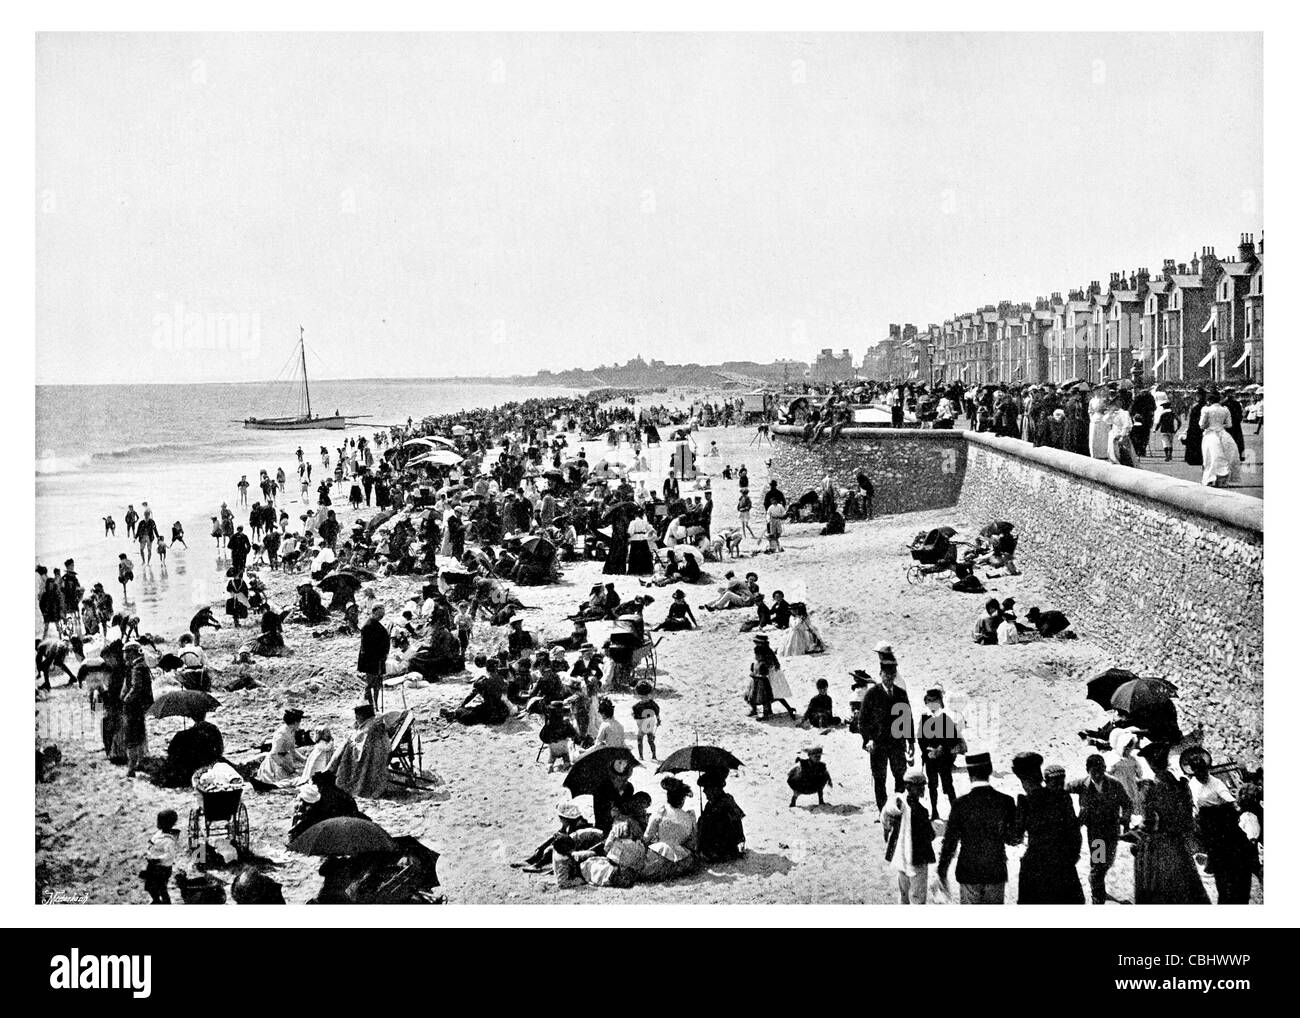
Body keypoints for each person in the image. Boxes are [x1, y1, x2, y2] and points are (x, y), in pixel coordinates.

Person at [1131, 743, 1210, 904]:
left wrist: (1132, 834)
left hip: (1157, 848)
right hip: (1179, 846)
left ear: (1151, 764)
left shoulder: (1151, 789)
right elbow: (1188, 821)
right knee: (1188, 890)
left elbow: (1149, 823)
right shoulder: (1181, 785)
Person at [936, 751, 1018, 904]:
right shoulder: (1006, 801)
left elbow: (950, 843)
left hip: (969, 871)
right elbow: (1012, 839)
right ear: (990, 770)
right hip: (995, 870)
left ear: (969, 773)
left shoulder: (960, 804)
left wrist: (942, 870)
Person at [1180, 746, 1256, 904]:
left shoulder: (1216, 783)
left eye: (1203, 771)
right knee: (1219, 866)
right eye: (1198, 772)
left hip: (1222, 825)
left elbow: (1230, 802)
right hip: (1207, 827)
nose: (1201, 775)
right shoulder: (1192, 785)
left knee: (1229, 862)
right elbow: (1193, 805)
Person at [1011, 752, 1085, 904]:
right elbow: (1074, 830)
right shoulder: (1062, 796)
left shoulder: (1025, 802)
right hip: (1063, 863)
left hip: (1035, 867)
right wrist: (1072, 856)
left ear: (1021, 778)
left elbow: (1015, 837)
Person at [1065, 753, 1133, 905]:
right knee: (1098, 865)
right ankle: (1098, 897)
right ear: (1088, 770)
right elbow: (1063, 789)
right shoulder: (1081, 784)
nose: (1098, 774)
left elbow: (1127, 803)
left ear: (1105, 769)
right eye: (1094, 771)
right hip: (1096, 834)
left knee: (1107, 862)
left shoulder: (1115, 784)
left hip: (1112, 832)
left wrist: (1125, 820)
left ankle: (1096, 882)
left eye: (1101, 770)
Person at [860, 654, 914, 814]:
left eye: (892, 675)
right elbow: (863, 721)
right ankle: (882, 810)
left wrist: (911, 741)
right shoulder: (872, 694)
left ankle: (898, 807)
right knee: (879, 778)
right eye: (886, 675)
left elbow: (907, 718)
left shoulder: (900, 694)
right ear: (880, 675)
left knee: (900, 776)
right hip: (877, 744)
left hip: (897, 743)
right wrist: (867, 739)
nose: (889, 678)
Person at [882, 769, 936, 904]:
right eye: (920, 787)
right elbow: (930, 835)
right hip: (918, 860)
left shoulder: (897, 805)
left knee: (903, 895)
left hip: (901, 858)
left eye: (923, 786)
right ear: (908, 787)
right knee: (918, 897)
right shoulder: (921, 811)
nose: (923, 790)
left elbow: (887, 822)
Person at [328, 703, 392, 799]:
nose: (356, 718)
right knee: (344, 746)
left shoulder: (369, 727)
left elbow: (360, 744)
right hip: (379, 753)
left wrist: (349, 740)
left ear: (362, 716)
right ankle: (329, 771)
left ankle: (329, 772)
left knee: (343, 748)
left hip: (372, 757)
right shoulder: (374, 722)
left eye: (357, 716)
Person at [918, 688, 962, 820]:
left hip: (943, 759)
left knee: (948, 785)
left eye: (935, 701)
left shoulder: (945, 719)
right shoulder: (924, 719)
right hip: (930, 759)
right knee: (932, 786)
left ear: (941, 703)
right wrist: (927, 751)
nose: (932, 704)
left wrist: (941, 748)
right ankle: (934, 811)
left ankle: (955, 811)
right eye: (929, 701)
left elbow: (953, 739)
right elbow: (921, 739)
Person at [121, 641, 154, 777]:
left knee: (131, 736)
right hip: (141, 706)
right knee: (139, 733)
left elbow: (136, 687)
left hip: (134, 706)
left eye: (126, 652)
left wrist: (126, 699)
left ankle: (131, 767)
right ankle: (140, 761)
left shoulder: (136, 668)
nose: (124, 655)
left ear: (131, 652)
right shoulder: (141, 665)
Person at [696, 770, 745, 862]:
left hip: (723, 848)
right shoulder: (710, 804)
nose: (704, 791)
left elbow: (737, 823)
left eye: (706, 787)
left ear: (715, 789)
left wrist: (740, 842)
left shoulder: (727, 801)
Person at [745, 635, 795, 720]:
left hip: (770, 675)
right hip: (762, 675)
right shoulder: (758, 650)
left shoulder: (767, 652)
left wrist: (760, 671)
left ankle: (770, 712)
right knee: (756, 694)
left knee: (771, 695)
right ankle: (758, 710)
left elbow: (770, 666)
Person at [1199, 391, 1241, 488]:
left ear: (1209, 400)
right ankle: (1223, 480)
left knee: (1210, 457)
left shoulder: (1206, 410)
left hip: (1211, 434)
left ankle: (1210, 478)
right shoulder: (1225, 410)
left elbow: (1201, 425)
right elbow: (1229, 425)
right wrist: (1220, 426)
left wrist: (1209, 426)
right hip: (1223, 434)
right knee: (1226, 456)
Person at [256, 708, 308, 786]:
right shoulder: (281, 734)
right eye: (299, 722)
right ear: (295, 722)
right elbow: (274, 754)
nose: (300, 724)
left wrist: (304, 760)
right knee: (283, 783)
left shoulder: (292, 731)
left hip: (286, 758)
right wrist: (285, 766)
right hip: (276, 763)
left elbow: (292, 750)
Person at [141, 810, 180, 904]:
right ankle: (156, 899)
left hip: (163, 868)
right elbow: (152, 842)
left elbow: (170, 855)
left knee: (162, 888)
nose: (157, 823)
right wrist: (149, 850)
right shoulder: (159, 833)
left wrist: (158, 859)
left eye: (160, 822)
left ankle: (166, 902)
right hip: (153, 865)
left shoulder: (169, 840)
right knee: (150, 886)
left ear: (167, 824)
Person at [357, 605, 390, 710]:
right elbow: (367, 646)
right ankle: (369, 705)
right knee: (370, 684)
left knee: (377, 684)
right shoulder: (368, 626)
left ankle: (374, 704)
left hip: (378, 659)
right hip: (372, 660)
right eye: (380, 614)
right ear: (374, 612)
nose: (381, 616)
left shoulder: (375, 625)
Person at [539, 702, 579, 773]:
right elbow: (573, 734)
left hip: (553, 745)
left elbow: (543, 736)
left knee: (552, 756)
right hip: (563, 745)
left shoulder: (549, 723)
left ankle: (550, 765)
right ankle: (566, 763)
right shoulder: (565, 722)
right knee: (565, 755)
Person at [631, 681, 660, 760]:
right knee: (650, 740)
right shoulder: (652, 703)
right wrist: (658, 719)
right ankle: (654, 755)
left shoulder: (636, 706)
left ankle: (641, 756)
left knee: (640, 739)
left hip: (642, 724)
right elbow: (657, 711)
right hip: (649, 723)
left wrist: (633, 715)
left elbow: (635, 716)